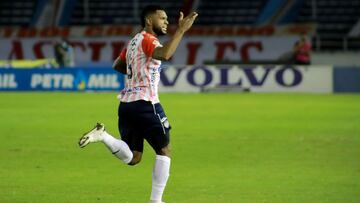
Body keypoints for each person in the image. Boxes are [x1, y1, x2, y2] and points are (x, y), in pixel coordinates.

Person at [78, 5, 198, 203]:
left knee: (133, 157)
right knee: (164, 150)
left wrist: (138, 73)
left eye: (168, 19)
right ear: (149, 21)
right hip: (146, 103)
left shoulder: (134, 41)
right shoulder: (150, 39)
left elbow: (117, 64)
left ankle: (103, 136)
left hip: (127, 105)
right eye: (162, 18)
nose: (167, 22)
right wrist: (182, 30)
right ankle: (156, 201)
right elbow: (165, 54)